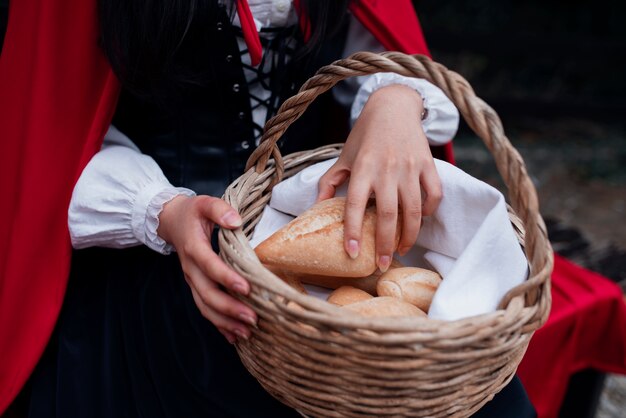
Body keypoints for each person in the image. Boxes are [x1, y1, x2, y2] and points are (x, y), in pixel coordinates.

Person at [0, 1, 535, 417]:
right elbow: (45, 127)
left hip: (304, 216)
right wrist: (162, 211)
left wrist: (395, 100)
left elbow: (377, 43)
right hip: (157, 256)